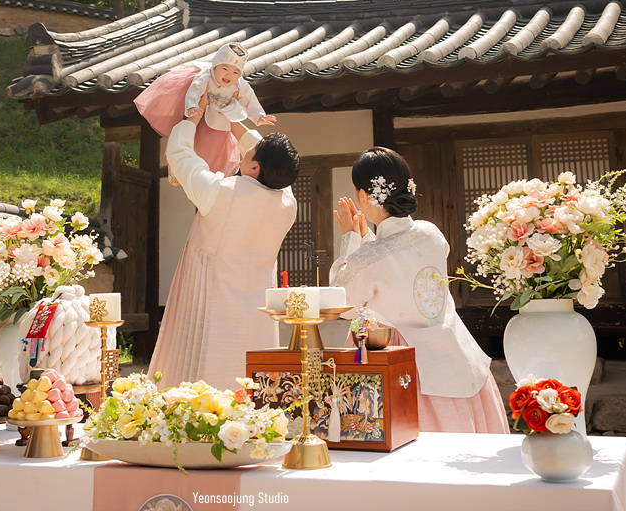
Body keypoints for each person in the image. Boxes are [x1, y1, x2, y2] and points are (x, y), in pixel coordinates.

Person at [330, 147, 510, 434]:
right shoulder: (431, 234)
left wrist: (351, 240)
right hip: (451, 350)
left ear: (364, 196)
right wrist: (367, 239)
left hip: (400, 358)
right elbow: (396, 259)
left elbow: (343, 301)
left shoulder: (370, 257)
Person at [147, 118, 301, 390]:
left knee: (200, 373)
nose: (248, 149)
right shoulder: (288, 202)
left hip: (210, 296)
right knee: (251, 381)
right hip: (256, 305)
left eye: (253, 151)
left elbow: (181, 156)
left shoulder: (220, 191)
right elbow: (261, 157)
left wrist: (191, 120)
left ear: (254, 167)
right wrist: (231, 117)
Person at [134, 43, 276, 178]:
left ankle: (208, 173)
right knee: (189, 136)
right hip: (200, 115)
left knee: (217, 148)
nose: (229, 75)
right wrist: (192, 106)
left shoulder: (239, 84)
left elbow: (249, 98)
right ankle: (175, 167)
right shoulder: (206, 76)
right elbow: (194, 90)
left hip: (220, 118)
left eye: (235, 72)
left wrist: (259, 116)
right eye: (224, 69)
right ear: (214, 67)